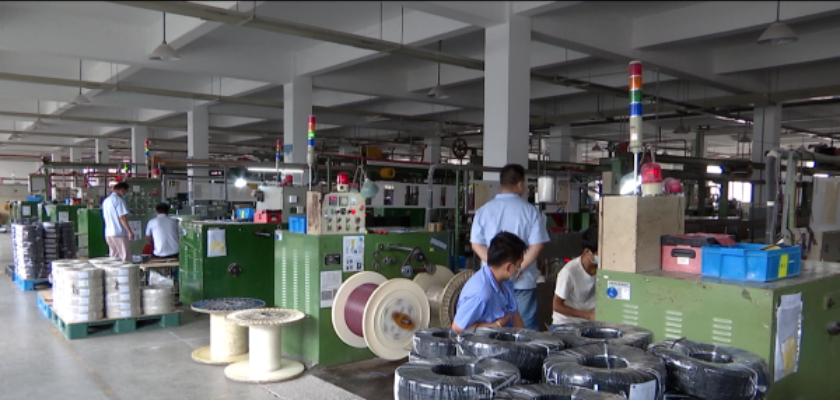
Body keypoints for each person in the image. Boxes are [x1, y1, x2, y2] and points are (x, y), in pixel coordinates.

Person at [470, 164, 549, 330]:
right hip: (522, 283)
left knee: (493, 330)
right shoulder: (531, 212)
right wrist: (517, 269)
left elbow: (476, 244)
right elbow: (536, 246)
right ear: (520, 184)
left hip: (492, 283)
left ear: (502, 183)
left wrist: (498, 266)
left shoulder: (483, 211)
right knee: (525, 332)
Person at [452, 232, 528, 333]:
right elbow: (457, 328)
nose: (520, 269)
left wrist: (524, 338)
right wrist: (497, 325)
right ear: (508, 267)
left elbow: (515, 315)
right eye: (519, 265)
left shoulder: (506, 282)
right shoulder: (481, 294)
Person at [551, 225, 599, 326]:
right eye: (599, 253)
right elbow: (557, 306)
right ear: (587, 252)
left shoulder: (603, 268)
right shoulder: (569, 272)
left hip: (589, 322)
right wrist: (587, 315)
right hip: (566, 323)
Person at [102, 182, 134, 261]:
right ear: (122, 190)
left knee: (114, 257)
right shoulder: (119, 200)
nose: (125, 194)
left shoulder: (106, 201)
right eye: (126, 191)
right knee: (125, 256)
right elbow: (122, 217)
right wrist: (129, 231)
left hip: (109, 233)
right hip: (119, 233)